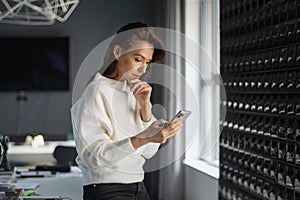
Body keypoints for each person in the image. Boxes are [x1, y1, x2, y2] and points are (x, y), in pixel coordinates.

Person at [71, 21, 183, 200]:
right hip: (106, 189)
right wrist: (146, 136)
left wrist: (145, 107)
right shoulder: (95, 91)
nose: (143, 68)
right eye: (138, 59)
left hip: (138, 186)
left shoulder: (132, 91)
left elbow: (148, 152)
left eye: (147, 61)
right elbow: (94, 157)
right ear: (117, 52)